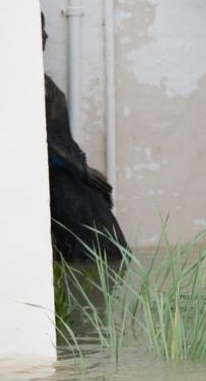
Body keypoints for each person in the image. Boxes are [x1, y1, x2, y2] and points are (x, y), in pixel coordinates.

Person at [42, 14, 128, 263]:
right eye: (41, 30)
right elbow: (44, 141)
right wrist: (84, 172)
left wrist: (85, 171)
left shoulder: (46, 84)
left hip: (71, 173)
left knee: (107, 236)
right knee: (99, 243)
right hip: (62, 178)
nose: (46, 35)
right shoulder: (37, 87)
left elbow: (61, 138)